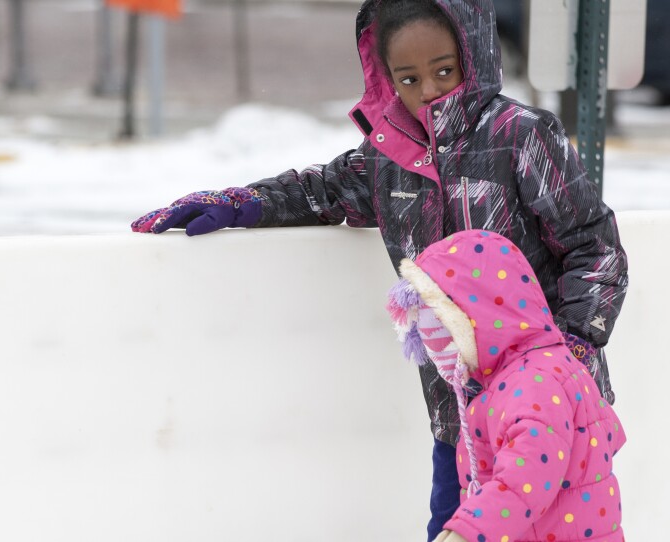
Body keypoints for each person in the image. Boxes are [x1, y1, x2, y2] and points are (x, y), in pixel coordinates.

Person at [131, 0, 628, 539]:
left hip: (550, 407)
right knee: (453, 524)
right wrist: (240, 202)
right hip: (458, 410)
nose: (429, 91)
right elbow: (320, 189)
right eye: (408, 78)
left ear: (473, 56)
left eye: (444, 70)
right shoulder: (390, 155)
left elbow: (595, 249)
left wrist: (568, 354)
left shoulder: (520, 136)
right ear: (386, 79)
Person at [387, 229, 625, 542]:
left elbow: (526, 477)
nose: (437, 356)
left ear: (477, 320)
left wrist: (469, 531)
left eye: (445, 337)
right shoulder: (534, 371)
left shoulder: (533, 384)